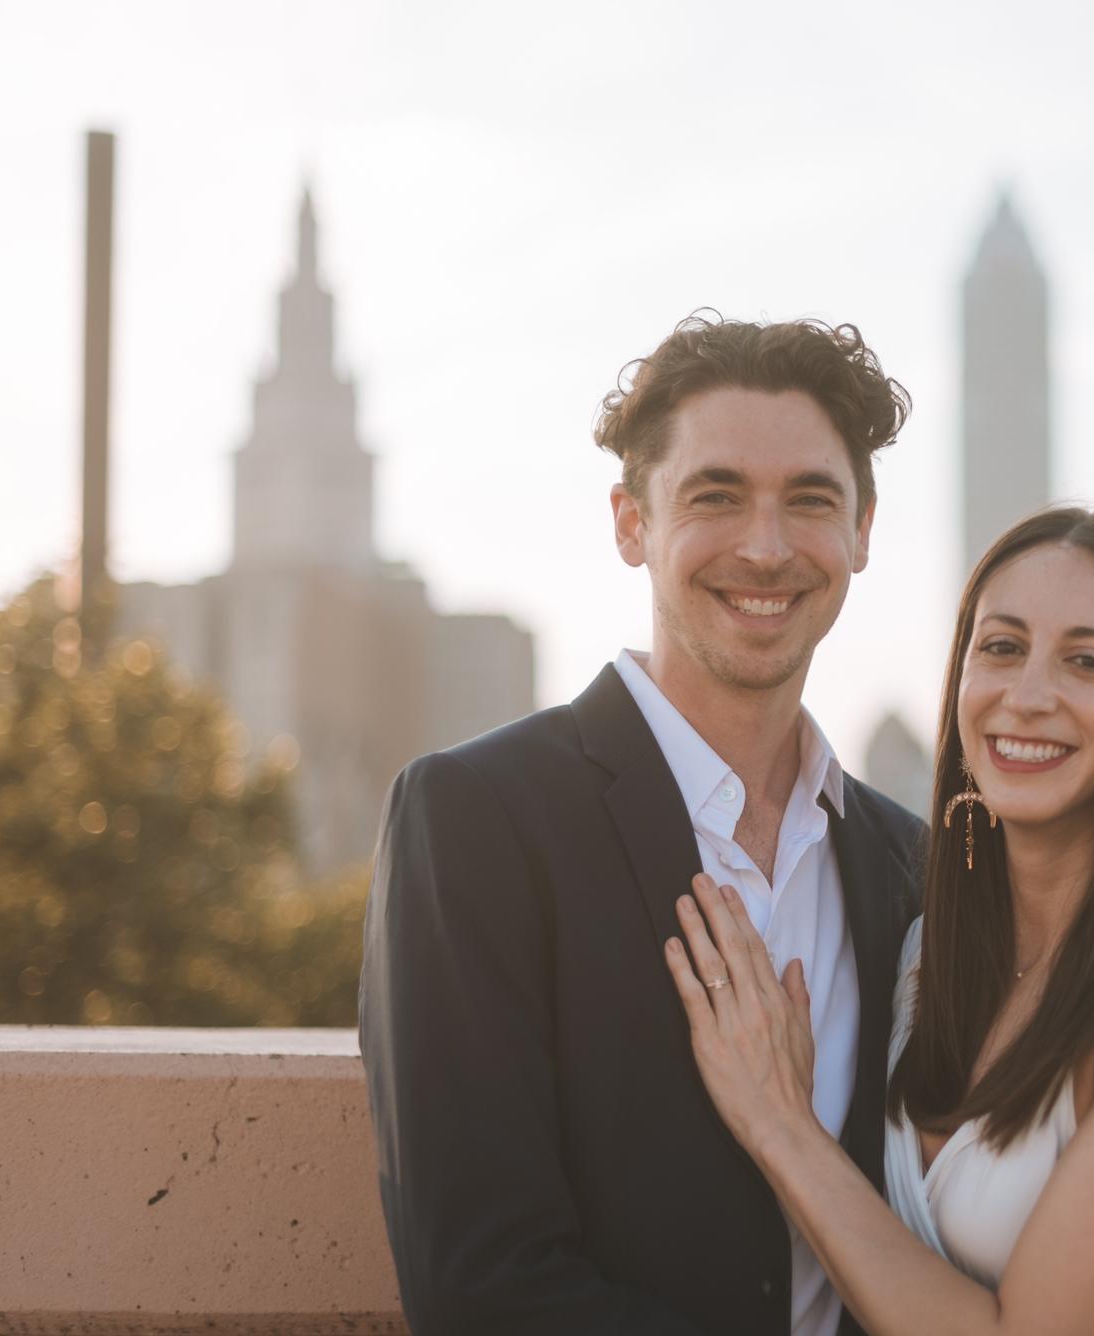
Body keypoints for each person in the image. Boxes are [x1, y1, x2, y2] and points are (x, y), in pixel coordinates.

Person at [359, 312, 925, 1336]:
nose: (765, 546)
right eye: (715, 496)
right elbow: (480, 1289)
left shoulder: (911, 864)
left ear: (860, 532)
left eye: (809, 499)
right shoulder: (476, 820)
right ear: (631, 523)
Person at [666, 507, 1094, 1336]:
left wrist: (782, 1127)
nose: (1028, 696)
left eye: (1088, 661)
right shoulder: (925, 952)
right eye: (1001, 648)